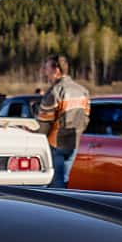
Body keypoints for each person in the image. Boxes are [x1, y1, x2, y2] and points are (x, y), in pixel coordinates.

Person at [34, 53, 88, 187]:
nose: (45, 73)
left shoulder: (55, 92)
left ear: (56, 70)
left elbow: (44, 123)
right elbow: (86, 118)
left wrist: (37, 139)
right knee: (65, 180)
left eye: (47, 69)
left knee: (56, 185)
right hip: (73, 143)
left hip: (56, 144)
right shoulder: (83, 91)